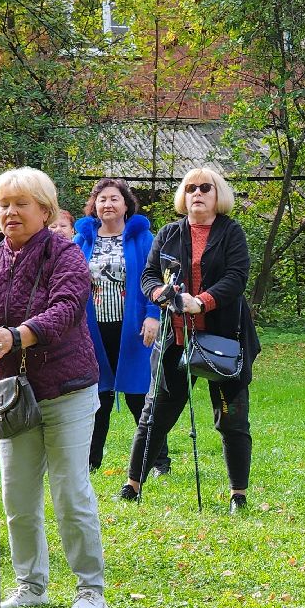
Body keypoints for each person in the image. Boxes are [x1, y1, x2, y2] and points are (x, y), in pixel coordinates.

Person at [0, 167, 107, 608]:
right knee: (17, 497)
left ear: (45, 210)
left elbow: (69, 307)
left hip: (65, 388)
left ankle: (90, 587)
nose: (10, 212)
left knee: (71, 492)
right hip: (11, 392)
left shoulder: (65, 252)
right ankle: (30, 585)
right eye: (3, 205)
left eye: (21, 204)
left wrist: (20, 335)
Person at [121, 167, 260, 510]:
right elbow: (149, 275)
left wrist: (201, 301)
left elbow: (237, 278)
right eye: (190, 188)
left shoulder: (232, 233)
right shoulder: (169, 233)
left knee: (232, 417)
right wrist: (159, 294)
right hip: (176, 339)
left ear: (218, 195)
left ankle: (238, 495)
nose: (197, 193)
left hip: (225, 337)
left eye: (205, 188)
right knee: (155, 414)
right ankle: (132, 485)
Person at [73, 178, 167, 474]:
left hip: (136, 329)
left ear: (126, 205)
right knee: (96, 395)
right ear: (94, 206)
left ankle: (158, 461)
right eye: (102, 199)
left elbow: (156, 279)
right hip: (93, 330)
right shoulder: (82, 241)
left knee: (139, 394)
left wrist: (154, 314)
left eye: (114, 198)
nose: (108, 204)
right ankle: (90, 461)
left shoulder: (143, 238)